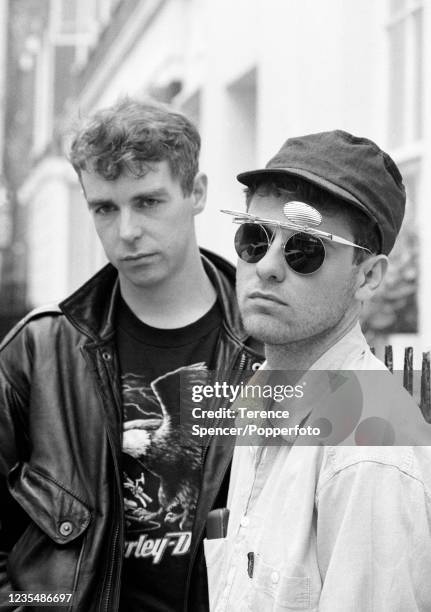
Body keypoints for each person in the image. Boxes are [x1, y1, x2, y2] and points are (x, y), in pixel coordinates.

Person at [0, 98, 262, 611]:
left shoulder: (270, 344)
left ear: (197, 193)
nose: (126, 232)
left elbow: (344, 507)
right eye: (105, 208)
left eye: (147, 201)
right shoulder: (37, 352)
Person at [206, 130, 431, 611]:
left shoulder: (368, 448)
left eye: (304, 250)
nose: (267, 266)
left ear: (367, 277)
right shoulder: (259, 399)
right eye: (254, 239)